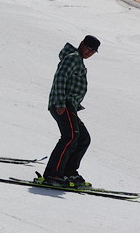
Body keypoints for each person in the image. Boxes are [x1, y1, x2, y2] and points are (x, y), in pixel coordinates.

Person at [40, 35, 100, 187]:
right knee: (70, 137)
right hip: (63, 103)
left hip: (69, 105)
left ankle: (69, 172)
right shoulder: (73, 58)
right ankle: (53, 174)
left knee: (83, 138)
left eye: (93, 51)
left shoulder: (78, 60)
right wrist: (61, 102)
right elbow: (60, 77)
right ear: (81, 44)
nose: (89, 53)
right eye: (88, 48)